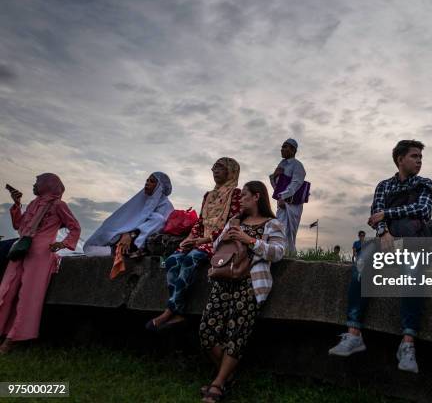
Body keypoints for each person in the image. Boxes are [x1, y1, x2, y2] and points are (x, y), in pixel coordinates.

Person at [329, 140, 432, 374]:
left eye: (420, 157)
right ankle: (354, 333)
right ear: (400, 159)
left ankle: (407, 343)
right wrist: (384, 232)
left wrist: (386, 214)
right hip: (388, 239)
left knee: (412, 272)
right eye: (414, 156)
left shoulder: (425, 183)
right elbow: (375, 217)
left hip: (414, 241)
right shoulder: (383, 186)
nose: (419, 160)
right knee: (361, 264)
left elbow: (423, 210)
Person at [199, 181, 286, 402]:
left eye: (245, 195)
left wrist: (250, 240)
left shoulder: (272, 224)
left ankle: (217, 384)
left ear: (257, 197)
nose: (241, 199)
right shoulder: (234, 221)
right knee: (207, 332)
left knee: (236, 335)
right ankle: (229, 375)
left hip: (250, 283)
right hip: (223, 281)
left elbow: (278, 253)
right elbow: (218, 247)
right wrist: (226, 236)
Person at [147, 158, 241, 330]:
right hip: (200, 240)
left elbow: (233, 223)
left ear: (231, 171)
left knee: (191, 259)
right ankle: (179, 312)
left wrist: (205, 240)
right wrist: (189, 238)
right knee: (171, 260)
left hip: (219, 242)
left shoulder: (236, 194)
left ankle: (170, 310)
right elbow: (200, 222)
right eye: (214, 167)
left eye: (220, 167)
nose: (215, 170)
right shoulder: (208, 195)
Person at [0, 174, 81, 353]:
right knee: (6, 289)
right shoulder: (34, 204)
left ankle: (12, 339)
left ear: (48, 185)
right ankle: (3, 330)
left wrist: (63, 243)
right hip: (21, 250)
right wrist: (16, 204)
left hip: (40, 254)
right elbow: (19, 226)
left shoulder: (59, 205)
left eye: (37, 183)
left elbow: (74, 226)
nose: (34, 185)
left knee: (28, 296)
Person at [83, 172, 173, 257]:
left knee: (158, 219)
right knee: (89, 249)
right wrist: (124, 233)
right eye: (147, 180)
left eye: (152, 181)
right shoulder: (141, 200)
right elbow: (128, 220)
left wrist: (131, 235)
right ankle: (117, 249)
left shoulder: (166, 206)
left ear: (159, 186)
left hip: (139, 240)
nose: (147, 183)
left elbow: (158, 225)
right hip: (123, 235)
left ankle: (125, 249)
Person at [270, 138, 308, 255]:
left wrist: (283, 196)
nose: (282, 149)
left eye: (285, 146)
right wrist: (274, 176)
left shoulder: (297, 165)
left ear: (293, 150)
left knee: (289, 230)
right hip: (282, 203)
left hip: (292, 205)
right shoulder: (281, 165)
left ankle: (289, 254)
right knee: (279, 227)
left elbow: (296, 183)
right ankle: (280, 253)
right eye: (282, 147)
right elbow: (276, 186)